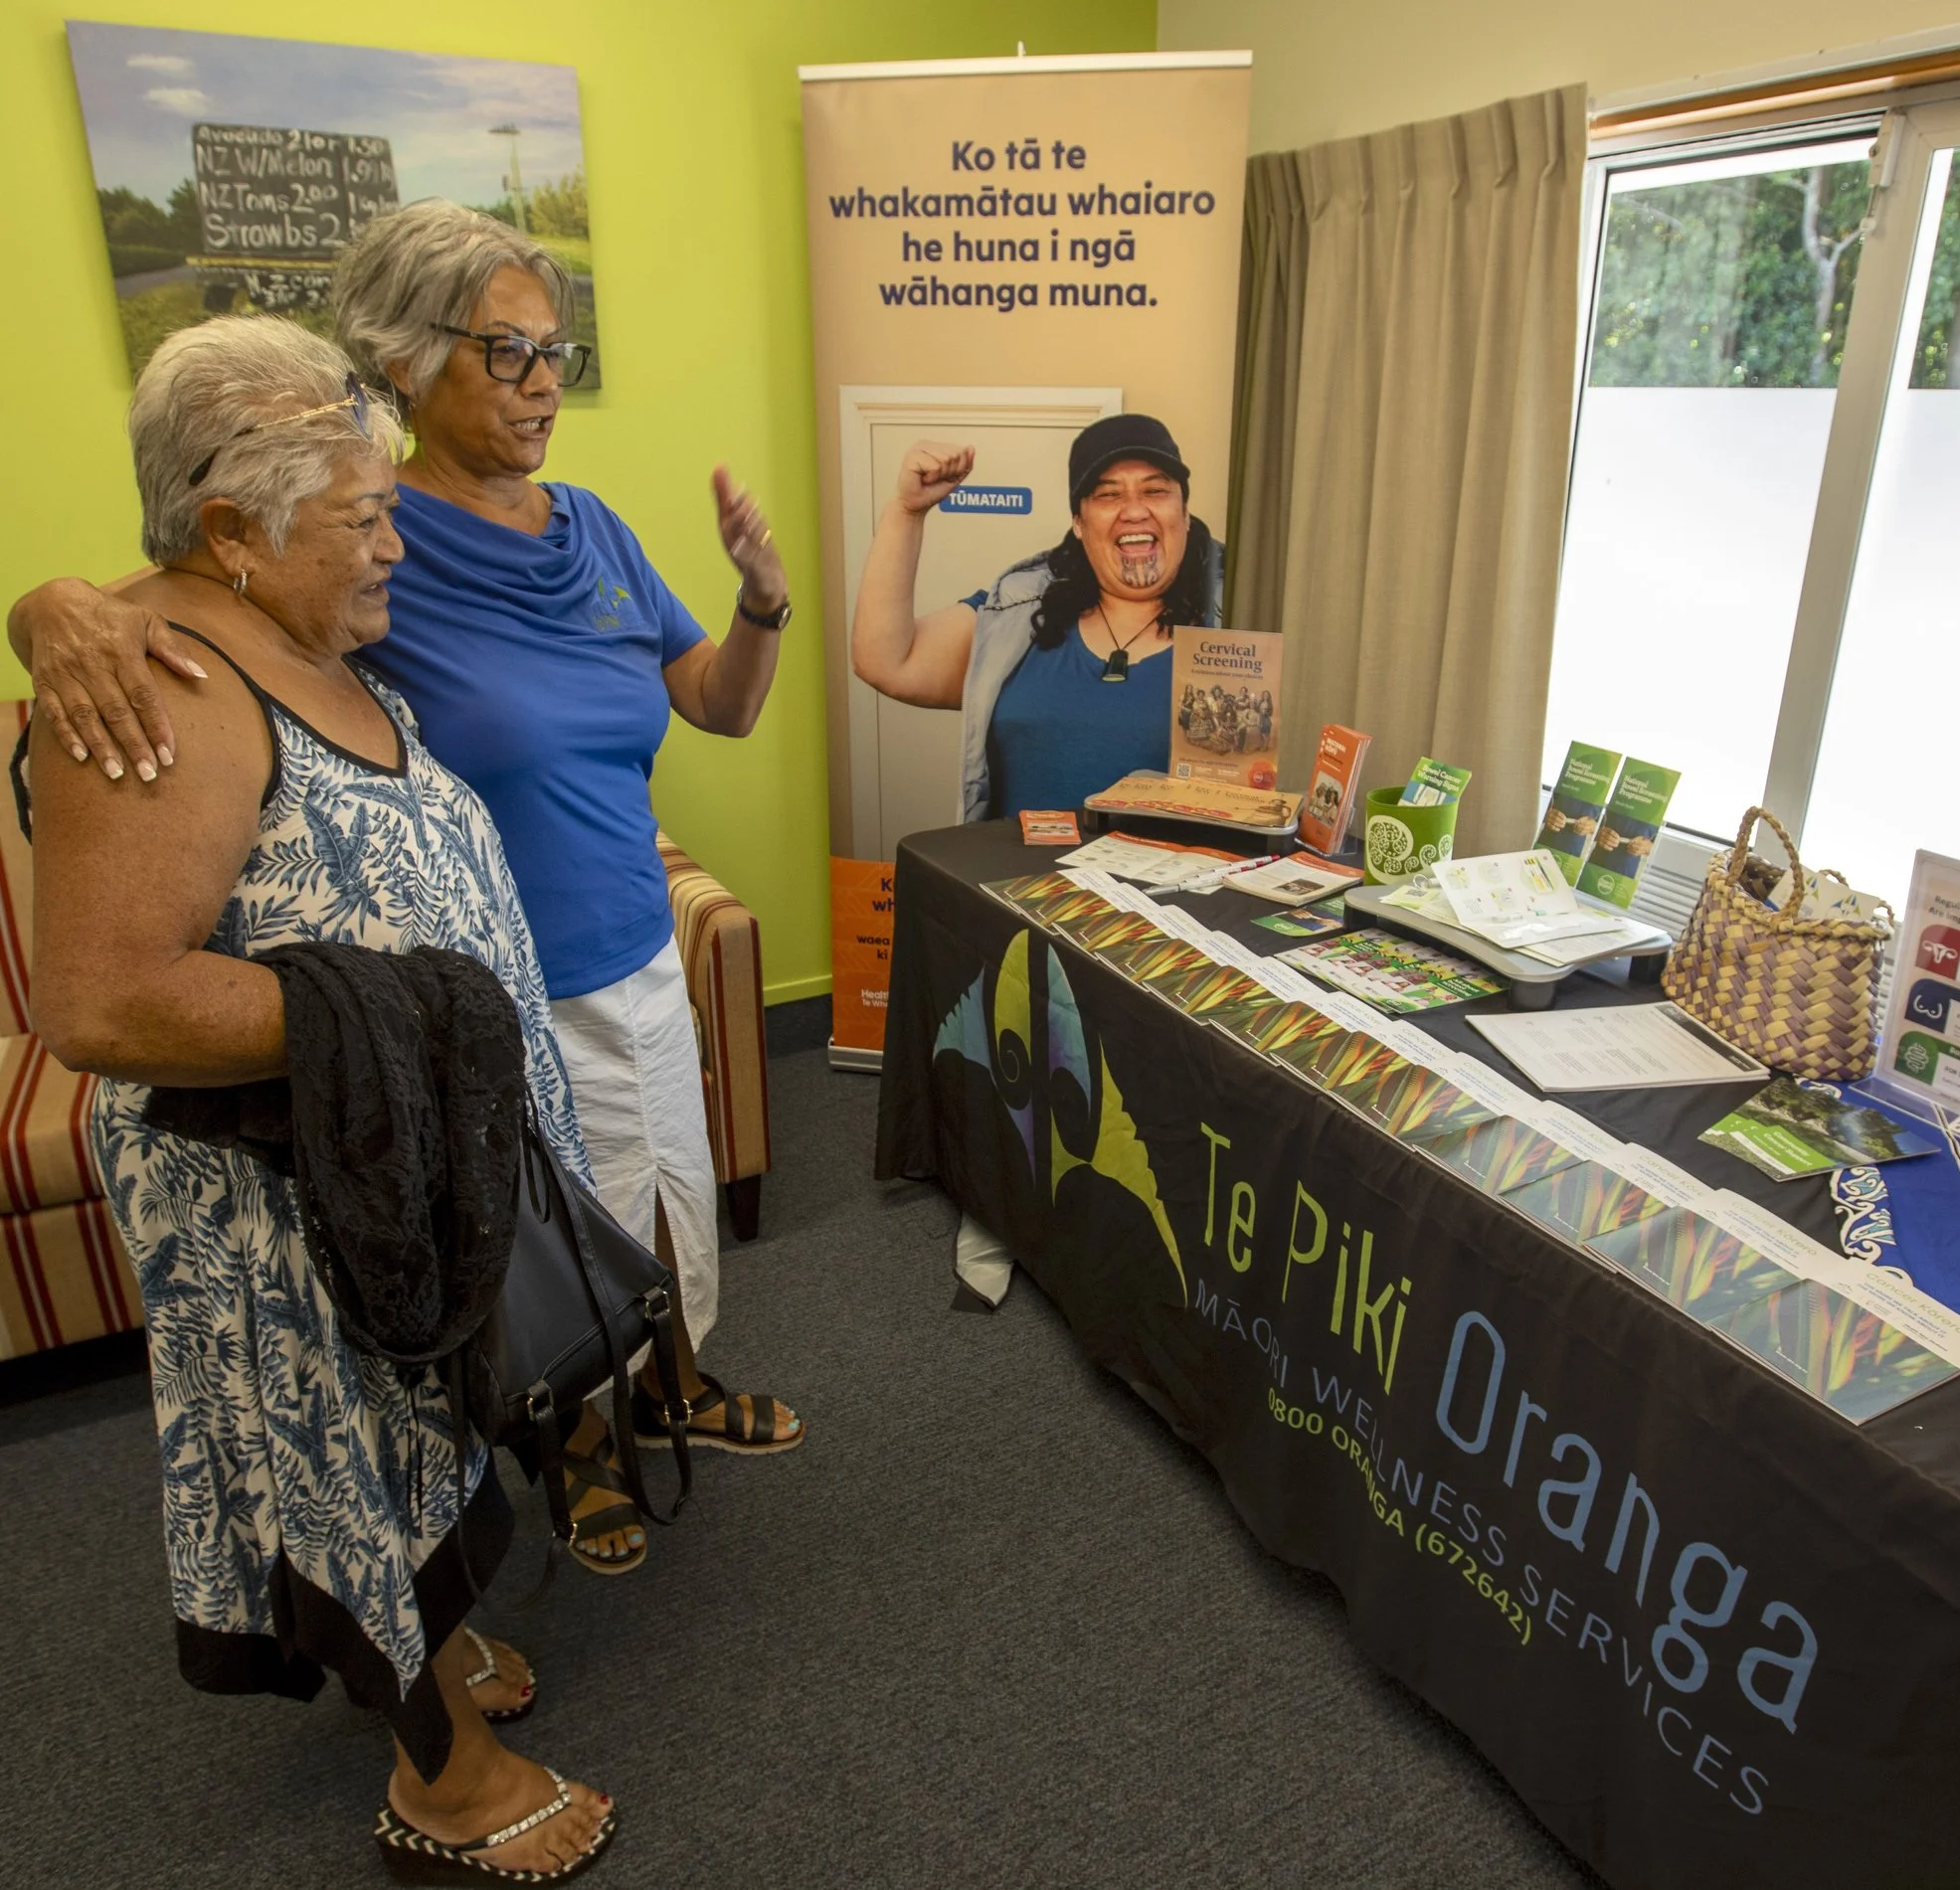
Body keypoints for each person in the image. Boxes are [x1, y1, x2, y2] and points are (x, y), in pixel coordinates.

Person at [9, 200, 802, 1575]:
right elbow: (193, 576)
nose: (546, 380)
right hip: (495, 988)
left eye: (558, 348)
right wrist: (49, 604)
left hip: (635, 941)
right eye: (507, 351)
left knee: (666, 1194)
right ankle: (580, 1448)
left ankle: (673, 1383)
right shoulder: (366, 532)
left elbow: (719, 707)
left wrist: (764, 602)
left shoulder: (597, 529)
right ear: (403, 362)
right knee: (553, 1236)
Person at [27, 317, 612, 1877]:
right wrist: (406, 1015)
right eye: (361, 515)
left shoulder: (287, 630)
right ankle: (444, 1779)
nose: (393, 540)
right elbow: (98, 998)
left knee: (412, 1429)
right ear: (230, 530)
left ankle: (428, 1644)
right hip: (272, 1201)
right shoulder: (154, 678)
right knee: (333, 1461)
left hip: (392, 1171)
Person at [850, 414, 1225, 821]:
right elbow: (887, 661)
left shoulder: (1244, 614)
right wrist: (906, 512)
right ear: (1078, 524)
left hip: (1171, 885)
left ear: (1184, 514)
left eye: (1155, 490)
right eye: (1107, 495)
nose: (1134, 511)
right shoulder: (1018, 610)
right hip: (1016, 883)